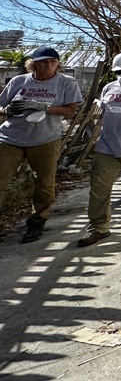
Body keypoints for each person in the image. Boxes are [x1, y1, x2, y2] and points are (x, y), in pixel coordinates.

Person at [0, 47, 82, 243]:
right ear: (33, 63)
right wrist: (6, 109)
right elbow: (1, 105)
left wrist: (45, 107)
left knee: (44, 183)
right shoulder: (19, 81)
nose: (48, 65)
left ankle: (37, 220)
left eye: (53, 62)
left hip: (45, 139)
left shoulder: (66, 83)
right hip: (10, 137)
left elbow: (70, 111)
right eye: (44, 61)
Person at [78, 52, 121, 247]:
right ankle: (98, 228)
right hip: (107, 147)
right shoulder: (109, 88)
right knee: (99, 190)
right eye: (119, 72)